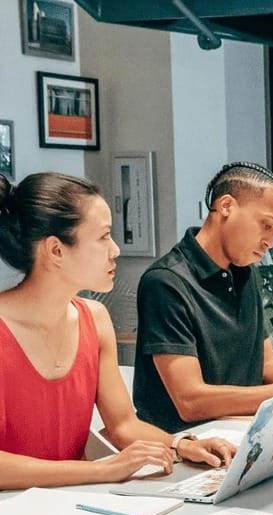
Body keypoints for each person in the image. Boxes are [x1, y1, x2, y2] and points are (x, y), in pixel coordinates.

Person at [0, 172, 235, 490]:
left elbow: (123, 424)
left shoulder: (95, 319)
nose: (115, 250)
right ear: (56, 250)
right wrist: (102, 470)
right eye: (103, 237)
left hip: (73, 508)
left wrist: (179, 445)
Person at [133, 162, 273, 433]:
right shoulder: (166, 282)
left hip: (241, 432)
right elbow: (190, 401)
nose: (270, 242)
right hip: (184, 444)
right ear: (227, 206)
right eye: (265, 225)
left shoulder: (245, 273)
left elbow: (267, 363)